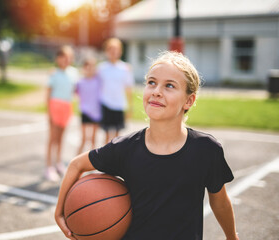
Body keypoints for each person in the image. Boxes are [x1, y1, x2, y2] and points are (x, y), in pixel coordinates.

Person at [55, 51, 239, 240]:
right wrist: (59, 212)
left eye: (169, 85)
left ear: (188, 101)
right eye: (151, 82)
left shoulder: (206, 150)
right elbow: (77, 165)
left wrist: (232, 237)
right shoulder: (126, 148)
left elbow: (220, 202)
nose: (156, 91)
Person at [45, 46, 79, 182]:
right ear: (58, 59)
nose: (66, 60)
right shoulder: (53, 74)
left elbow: (77, 89)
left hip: (67, 107)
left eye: (69, 57)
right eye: (63, 57)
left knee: (61, 137)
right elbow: (48, 94)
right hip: (55, 106)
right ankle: (49, 167)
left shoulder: (74, 73)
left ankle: (58, 163)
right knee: (52, 138)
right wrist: (49, 112)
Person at [97, 38, 134, 143]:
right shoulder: (101, 68)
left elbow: (128, 88)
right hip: (105, 103)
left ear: (120, 51)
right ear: (106, 51)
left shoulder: (125, 68)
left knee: (117, 137)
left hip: (119, 104)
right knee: (106, 134)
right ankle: (105, 158)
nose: (113, 52)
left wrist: (130, 106)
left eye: (116, 49)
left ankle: (114, 159)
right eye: (111, 49)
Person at [76, 57, 102, 154]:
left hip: (96, 113)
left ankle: (91, 164)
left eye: (92, 67)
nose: (90, 69)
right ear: (84, 68)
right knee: (83, 139)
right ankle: (76, 161)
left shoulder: (98, 80)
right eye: (88, 67)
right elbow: (74, 93)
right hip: (85, 112)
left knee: (93, 140)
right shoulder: (80, 82)